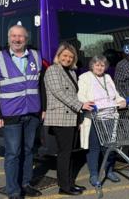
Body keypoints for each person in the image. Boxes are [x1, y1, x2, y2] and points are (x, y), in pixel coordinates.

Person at [0, 25, 43, 199]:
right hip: (10, 114)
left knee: (28, 151)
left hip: (32, 112)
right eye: (13, 36)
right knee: (12, 153)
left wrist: (44, 109)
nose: (17, 39)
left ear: (26, 39)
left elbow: (41, 85)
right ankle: (13, 191)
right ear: (8, 37)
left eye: (20, 36)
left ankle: (26, 183)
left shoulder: (36, 55)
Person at [43, 42, 94, 196]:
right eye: (65, 55)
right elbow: (59, 92)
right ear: (58, 56)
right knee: (64, 152)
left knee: (70, 152)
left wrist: (78, 116)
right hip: (60, 117)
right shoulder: (52, 70)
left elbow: (73, 94)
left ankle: (70, 183)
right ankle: (64, 186)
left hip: (71, 116)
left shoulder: (71, 72)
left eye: (71, 57)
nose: (68, 59)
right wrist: (80, 105)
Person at [77, 56, 127, 187]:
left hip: (110, 116)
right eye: (97, 65)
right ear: (92, 66)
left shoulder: (108, 77)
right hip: (94, 117)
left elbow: (115, 94)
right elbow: (80, 95)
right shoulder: (85, 77)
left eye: (102, 65)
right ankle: (94, 174)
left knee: (110, 146)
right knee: (94, 148)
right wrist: (85, 103)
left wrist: (121, 100)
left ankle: (109, 171)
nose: (100, 67)